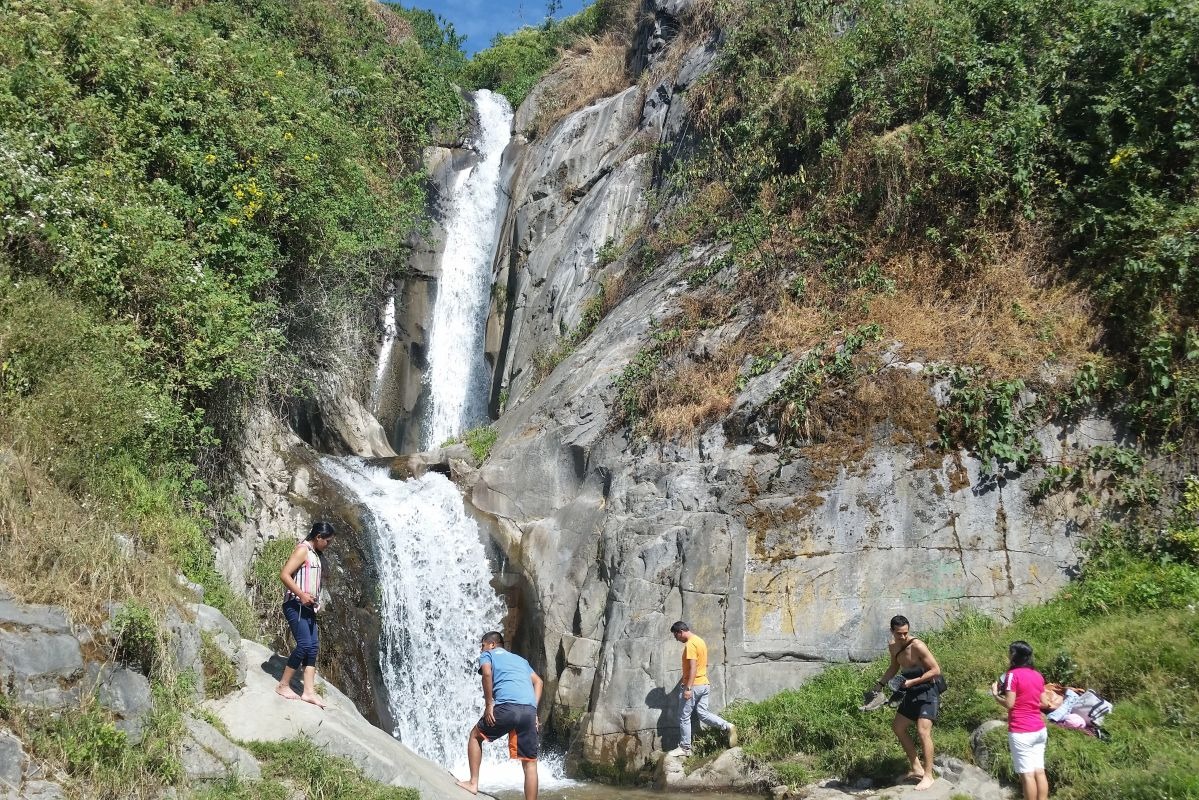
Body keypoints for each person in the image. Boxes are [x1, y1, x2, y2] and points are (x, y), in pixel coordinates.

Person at [456, 631, 543, 800]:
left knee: (475, 736)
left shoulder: (488, 654)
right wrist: (534, 710)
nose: (481, 649)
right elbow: (539, 681)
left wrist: (489, 705)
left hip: (507, 708)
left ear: (492, 644)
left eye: (482, 645)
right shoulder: (520, 660)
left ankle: (473, 783)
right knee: (530, 763)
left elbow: (487, 673)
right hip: (528, 711)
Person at [873, 615, 942, 791]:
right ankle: (916, 767)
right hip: (911, 691)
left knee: (923, 731)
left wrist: (912, 682)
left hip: (928, 691)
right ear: (892, 631)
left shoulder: (918, 645)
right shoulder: (893, 646)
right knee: (898, 727)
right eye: (899, 634)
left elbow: (936, 670)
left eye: (905, 633)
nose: (903, 636)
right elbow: (894, 667)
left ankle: (928, 776)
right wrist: (879, 685)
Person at [274, 521, 335, 708]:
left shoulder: (315, 553)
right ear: (318, 537)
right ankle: (283, 685)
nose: (329, 545)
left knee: (313, 647)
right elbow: (284, 574)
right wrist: (301, 595)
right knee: (304, 644)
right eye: (327, 541)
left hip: (308, 607)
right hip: (296, 604)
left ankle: (308, 692)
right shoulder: (303, 550)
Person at [668, 621, 738, 756]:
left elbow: (693, 668)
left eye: (676, 636)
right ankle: (728, 726)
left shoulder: (690, 644)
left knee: (684, 716)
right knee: (703, 714)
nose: (676, 639)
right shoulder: (700, 641)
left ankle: (685, 748)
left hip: (694, 686)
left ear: (680, 632)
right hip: (704, 684)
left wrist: (688, 688)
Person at [992, 641, 1049, 800]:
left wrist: (995, 695)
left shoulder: (1012, 675)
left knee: (1027, 775)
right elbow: (1045, 703)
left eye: (1010, 653)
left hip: (1021, 731)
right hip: (1039, 730)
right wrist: (1029, 702)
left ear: (1014, 655)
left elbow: (1010, 704)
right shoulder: (1037, 675)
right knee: (1039, 771)